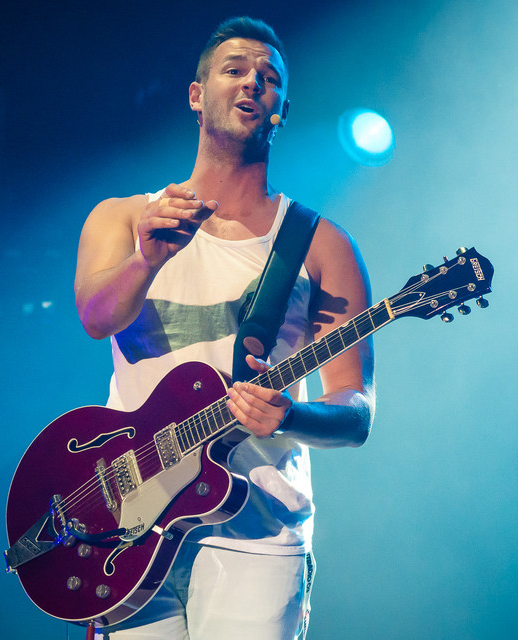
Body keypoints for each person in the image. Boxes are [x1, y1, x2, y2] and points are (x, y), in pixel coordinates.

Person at [74, 16, 375, 640]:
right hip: (130, 522)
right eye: (234, 70)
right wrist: (145, 261)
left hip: (257, 531)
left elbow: (355, 411)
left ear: (282, 109)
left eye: (269, 78)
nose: (252, 83)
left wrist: (289, 416)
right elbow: (96, 318)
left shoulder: (322, 245)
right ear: (196, 94)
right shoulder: (124, 218)